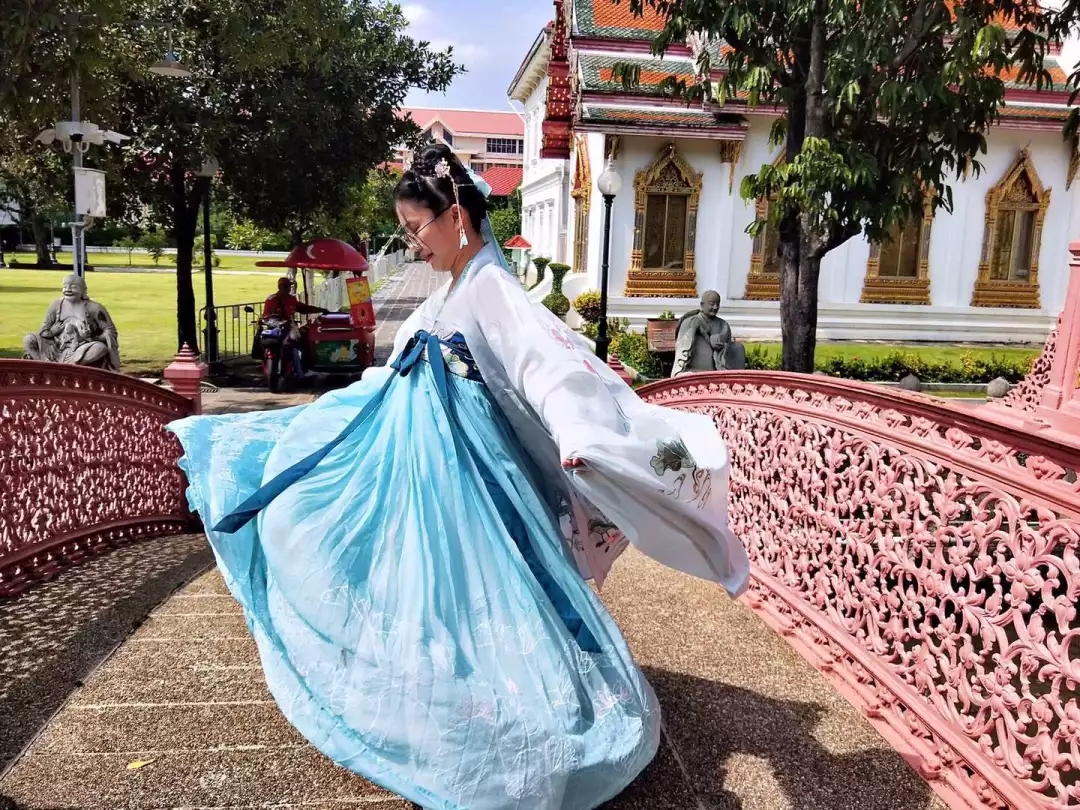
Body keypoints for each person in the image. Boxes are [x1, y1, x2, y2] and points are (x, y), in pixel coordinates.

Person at [168, 144, 748, 810]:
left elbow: (547, 366)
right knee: (412, 575)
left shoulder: (491, 288)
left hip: (470, 473)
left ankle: (509, 721)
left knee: (477, 588)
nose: (412, 243)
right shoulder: (454, 288)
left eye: (416, 228)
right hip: (421, 462)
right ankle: (440, 698)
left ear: (457, 218)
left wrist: (577, 433)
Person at [23, 273, 121, 370]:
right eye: (65, 287)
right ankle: (44, 365)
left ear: (84, 290)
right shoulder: (56, 305)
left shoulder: (94, 308)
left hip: (80, 348)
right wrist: (52, 332)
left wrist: (91, 337)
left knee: (100, 348)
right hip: (56, 346)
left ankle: (70, 366)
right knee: (29, 339)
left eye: (73, 287)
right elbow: (43, 331)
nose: (68, 290)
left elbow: (110, 330)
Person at [262, 277, 329, 377]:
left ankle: (303, 370)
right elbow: (267, 317)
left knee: (305, 345)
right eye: (286, 286)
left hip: (289, 330)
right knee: (295, 347)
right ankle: (301, 373)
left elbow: (304, 308)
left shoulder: (291, 299)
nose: (288, 288)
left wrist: (320, 310)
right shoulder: (272, 299)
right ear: (280, 287)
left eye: (289, 286)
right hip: (276, 331)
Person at [671, 290, 743, 377]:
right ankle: (680, 373)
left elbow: (728, 348)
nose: (715, 307)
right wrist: (693, 329)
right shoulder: (691, 321)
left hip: (716, 369)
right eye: (711, 304)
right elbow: (682, 345)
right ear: (702, 305)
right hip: (694, 369)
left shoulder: (723, 325)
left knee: (738, 347)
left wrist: (721, 346)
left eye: (717, 304)